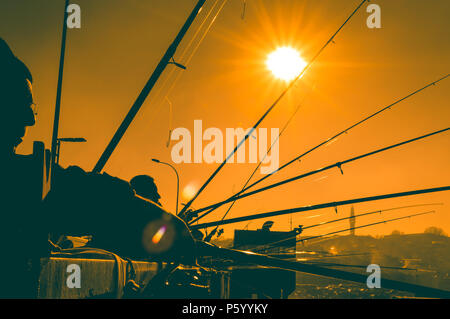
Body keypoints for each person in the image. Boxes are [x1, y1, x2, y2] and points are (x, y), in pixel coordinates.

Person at [0, 38, 196, 298]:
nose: (30, 119)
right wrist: (176, 233)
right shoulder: (22, 180)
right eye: (18, 103)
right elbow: (85, 195)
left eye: (31, 108)